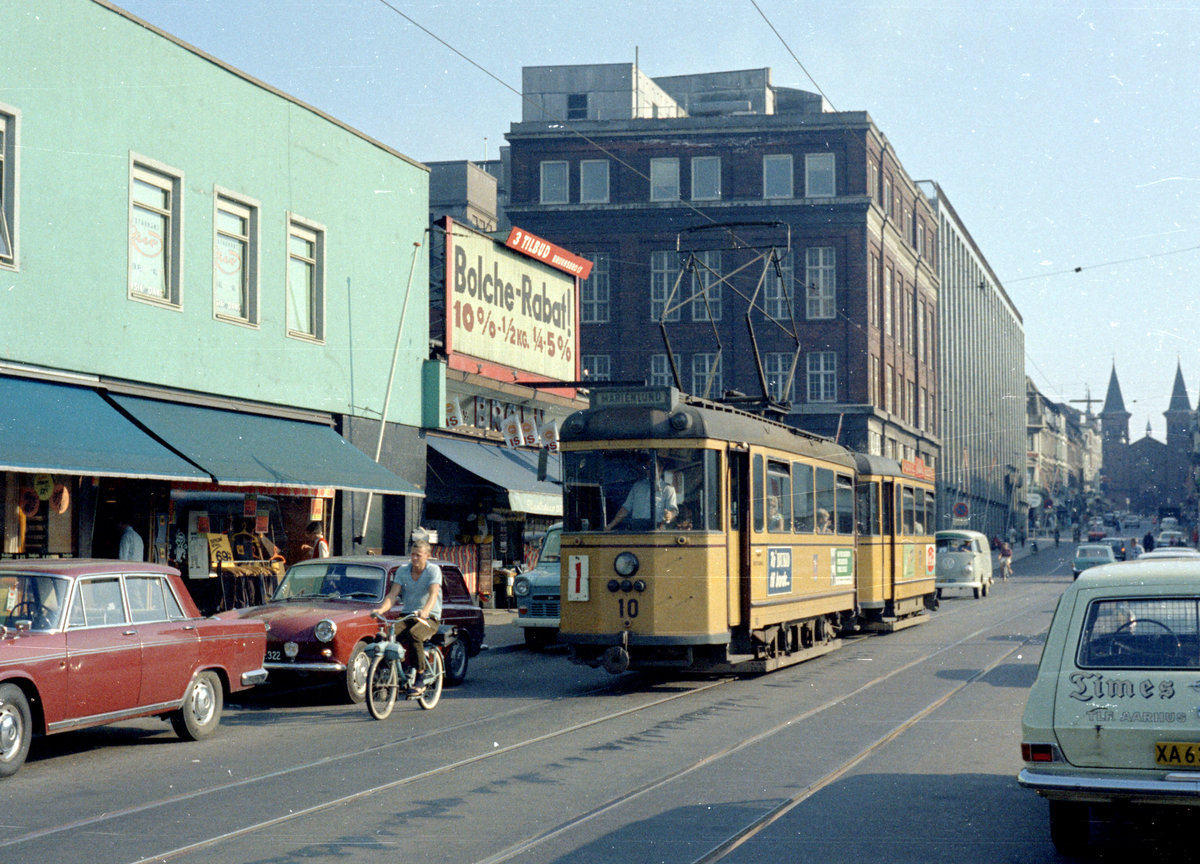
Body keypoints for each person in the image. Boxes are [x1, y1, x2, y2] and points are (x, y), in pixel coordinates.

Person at [373, 539, 442, 693]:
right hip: (408, 615)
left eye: (418, 555)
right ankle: (401, 667)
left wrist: (425, 612)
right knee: (388, 635)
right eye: (412, 555)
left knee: (414, 635)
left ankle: (420, 677)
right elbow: (392, 594)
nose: (414, 558)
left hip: (429, 617)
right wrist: (381, 609)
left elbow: (433, 595)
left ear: (427, 556)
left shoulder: (433, 570)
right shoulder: (403, 570)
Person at [606, 455, 678, 530]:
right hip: (637, 530)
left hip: (657, 530)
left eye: (653, 468)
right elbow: (625, 508)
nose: (649, 471)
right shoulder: (637, 486)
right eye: (647, 468)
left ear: (661, 469)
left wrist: (670, 515)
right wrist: (610, 526)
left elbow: (673, 510)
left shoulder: (668, 489)